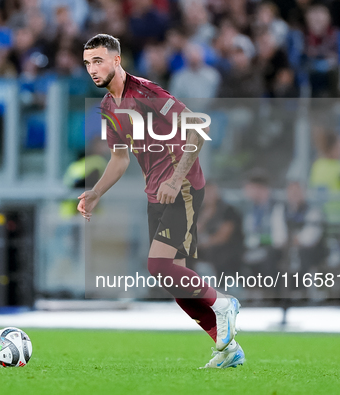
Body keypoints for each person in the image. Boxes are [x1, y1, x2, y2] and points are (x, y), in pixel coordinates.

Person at [78, 34, 244, 369]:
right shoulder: (109, 108)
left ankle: (223, 303)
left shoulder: (148, 93)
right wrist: (96, 192)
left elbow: (197, 130)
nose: (92, 70)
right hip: (157, 192)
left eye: (98, 61)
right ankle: (227, 349)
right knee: (170, 277)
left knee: (160, 266)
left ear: (116, 60)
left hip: (181, 186)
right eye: (87, 63)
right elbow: (120, 159)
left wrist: (174, 177)